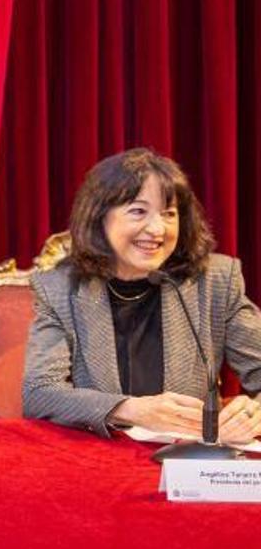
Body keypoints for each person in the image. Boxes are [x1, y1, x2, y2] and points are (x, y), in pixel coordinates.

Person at [23, 148, 261, 442]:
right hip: (98, 462)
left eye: (169, 213)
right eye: (138, 211)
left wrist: (254, 415)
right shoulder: (60, 289)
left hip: (185, 460)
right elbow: (39, 393)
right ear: (99, 218)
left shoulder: (214, 282)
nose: (157, 229)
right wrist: (130, 409)